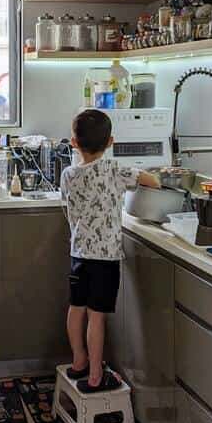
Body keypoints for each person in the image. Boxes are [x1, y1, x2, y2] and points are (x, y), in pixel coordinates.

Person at [60, 109, 160, 392]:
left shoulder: (68, 174)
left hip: (79, 253)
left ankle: (79, 360)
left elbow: (65, 205)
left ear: (74, 143)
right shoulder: (114, 169)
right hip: (105, 259)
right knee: (97, 316)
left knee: (76, 308)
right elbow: (151, 180)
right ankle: (94, 375)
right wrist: (160, 180)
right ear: (111, 142)